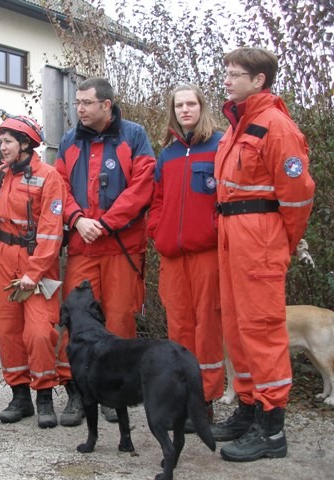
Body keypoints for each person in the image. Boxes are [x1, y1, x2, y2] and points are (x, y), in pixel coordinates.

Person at [211, 47, 315, 462]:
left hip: (259, 236)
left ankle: (271, 431)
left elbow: (297, 200)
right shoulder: (238, 125)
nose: (227, 80)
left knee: (263, 330)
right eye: (227, 73)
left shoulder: (277, 127)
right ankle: (249, 410)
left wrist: (279, 245)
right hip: (232, 234)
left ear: (259, 80)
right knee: (237, 329)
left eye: (236, 74)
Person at [54, 77, 155, 422]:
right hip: (83, 245)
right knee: (76, 320)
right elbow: (60, 186)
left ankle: (117, 392)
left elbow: (144, 185)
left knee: (120, 319)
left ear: (106, 105)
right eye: (77, 102)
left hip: (122, 246)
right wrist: (77, 218)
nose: (79, 108)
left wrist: (108, 222)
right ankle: (78, 392)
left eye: (86, 102)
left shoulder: (134, 135)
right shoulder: (70, 139)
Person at [0, 114, 79, 429]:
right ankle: (20, 397)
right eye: (1, 142)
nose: (3, 147)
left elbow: (52, 232)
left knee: (41, 331)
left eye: (8, 142)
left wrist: (35, 272)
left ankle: (44, 397)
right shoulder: (0, 175)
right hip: (2, 257)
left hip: (36, 261)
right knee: (6, 329)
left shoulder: (49, 176)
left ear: (26, 144)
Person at [147, 84, 224, 430]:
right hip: (173, 257)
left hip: (207, 253)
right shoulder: (168, 154)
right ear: (173, 111)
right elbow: (158, 199)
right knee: (179, 327)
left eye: (191, 103)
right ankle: (183, 398)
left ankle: (205, 402)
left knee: (207, 326)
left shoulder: (220, 146)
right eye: (179, 105)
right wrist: (157, 230)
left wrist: (213, 230)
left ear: (202, 107)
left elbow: (227, 197)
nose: (185, 110)